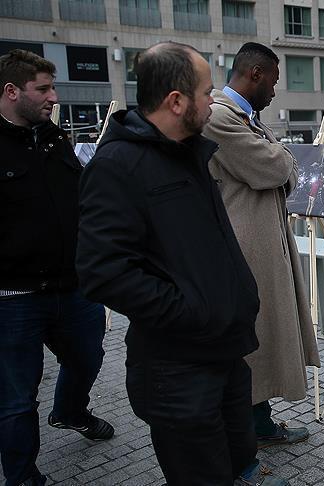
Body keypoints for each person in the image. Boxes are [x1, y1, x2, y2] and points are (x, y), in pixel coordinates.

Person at [75, 42, 287, 486]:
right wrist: (191, 311)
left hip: (225, 352)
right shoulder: (118, 167)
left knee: (235, 459)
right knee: (200, 472)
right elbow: (103, 271)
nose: (215, 100)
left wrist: (234, 302)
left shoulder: (192, 153)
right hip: (177, 365)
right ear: (176, 101)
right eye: (208, 92)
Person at [0, 49, 113, 486]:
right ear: (11, 92)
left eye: (53, 88)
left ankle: (69, 412)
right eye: (43, 89)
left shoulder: (53, 138)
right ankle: (23, 477)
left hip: (74, 288)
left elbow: (79, 201)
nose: (53, 98)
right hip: (14, 299)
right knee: (14, 400)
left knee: (88, 359)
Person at [203, 42, 319, 448]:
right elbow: (276, 167)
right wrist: (282, 158)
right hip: (244, 250)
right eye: (273, 80)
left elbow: (282, 168)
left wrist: (281, 160)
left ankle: (258, 420)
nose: (274, 90)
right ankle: (246, 430)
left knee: (263, 339)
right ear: (255, 74)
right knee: (253, 341)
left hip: (260, 246)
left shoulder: (245, 117)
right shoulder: (219, 117)